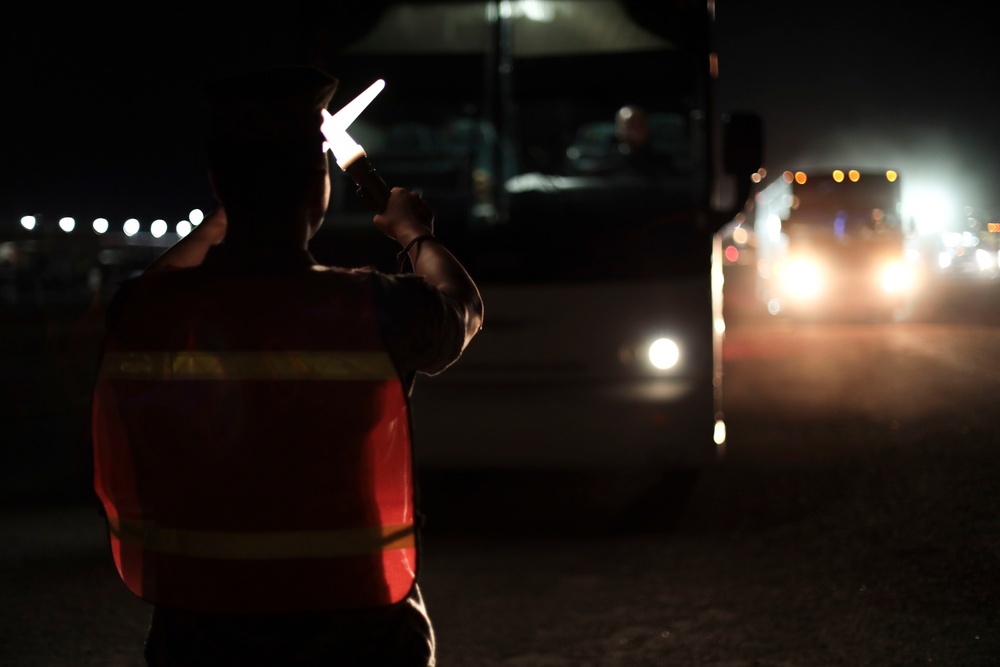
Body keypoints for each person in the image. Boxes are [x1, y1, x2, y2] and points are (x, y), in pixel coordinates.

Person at [91, 65, 483, 666]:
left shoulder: (151, 311)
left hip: (201, 631)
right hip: (357, 631)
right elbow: (462, 309)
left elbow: (154, 287)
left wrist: (230, 213)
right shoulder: (372, 306)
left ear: (220, 183)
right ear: (319, 188)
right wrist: (413, 235)